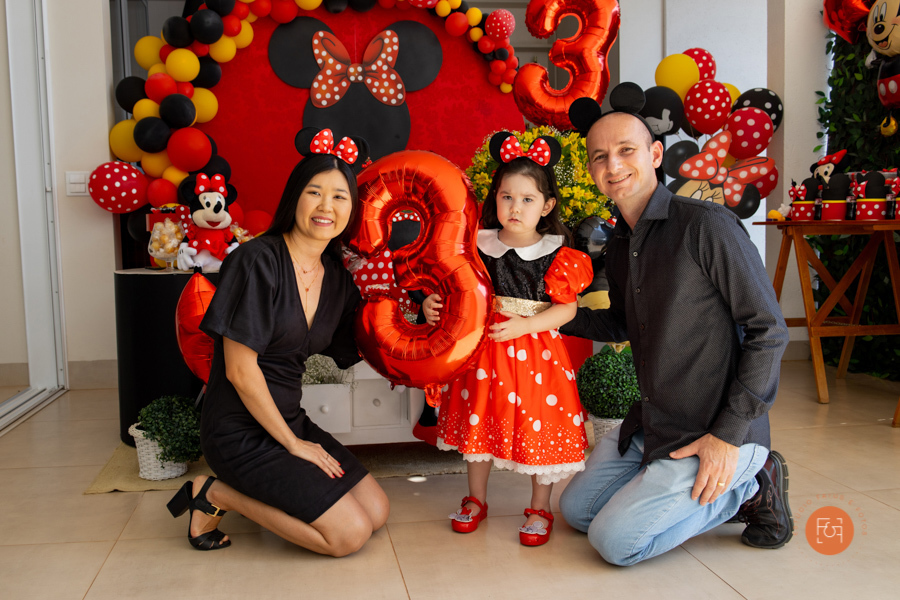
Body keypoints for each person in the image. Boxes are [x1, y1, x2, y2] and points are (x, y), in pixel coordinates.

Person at [557, 98, 792, 566]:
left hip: (714, 427)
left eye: (626, 150)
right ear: (591, 169)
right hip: (654, 423)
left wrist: (727, 435)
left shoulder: (706, 225)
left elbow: (768, 330)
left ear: (655, 154)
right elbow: (621, 322)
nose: (613, 165)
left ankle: (752, 480)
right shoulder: (619, 245)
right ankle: (667, 484)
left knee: (615, 543)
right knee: (576, 511)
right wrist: (547, 314)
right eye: (600, 157)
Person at [166, 129, 389, 556]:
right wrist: (292, 444)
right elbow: (239, 370)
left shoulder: (337, 278)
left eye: (340, 197)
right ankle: (214, 494)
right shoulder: (256, 261)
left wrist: (423, 313)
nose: (326, 206)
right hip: (238, 430)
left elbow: (362, 339)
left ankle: (247, 484)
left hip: (289, 418)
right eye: (314, 192)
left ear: (352, 209)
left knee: (377, 512)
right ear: (294, 198)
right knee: (347, 536)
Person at [422, 132, 593, 546]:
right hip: (482, 352)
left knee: (538, 427)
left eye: (527, 199)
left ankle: (539, 506)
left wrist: (523, 326)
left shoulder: (557, 253)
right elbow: (456, 287)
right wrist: (432, 303)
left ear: (547, 205)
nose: (515, 208)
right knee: (478, 422)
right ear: (494, 199)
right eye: (507, 197)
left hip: (536, 355)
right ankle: (476, 499)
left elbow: (567, 309)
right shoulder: (477, 245)